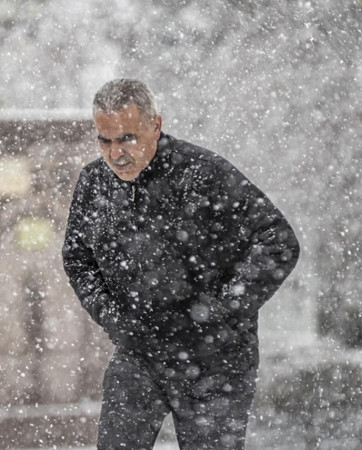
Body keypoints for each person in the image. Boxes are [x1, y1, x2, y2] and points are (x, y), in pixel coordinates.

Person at [62, 78, 300, 449]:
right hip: (139, 353)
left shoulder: (205, 174)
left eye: (127, 137)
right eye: (105, 140)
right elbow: (78, 259)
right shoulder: (94, 184)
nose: (115, 153)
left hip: (215, 361)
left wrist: (219, 310)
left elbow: (278, 242)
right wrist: (112, 316)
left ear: (155, 125)